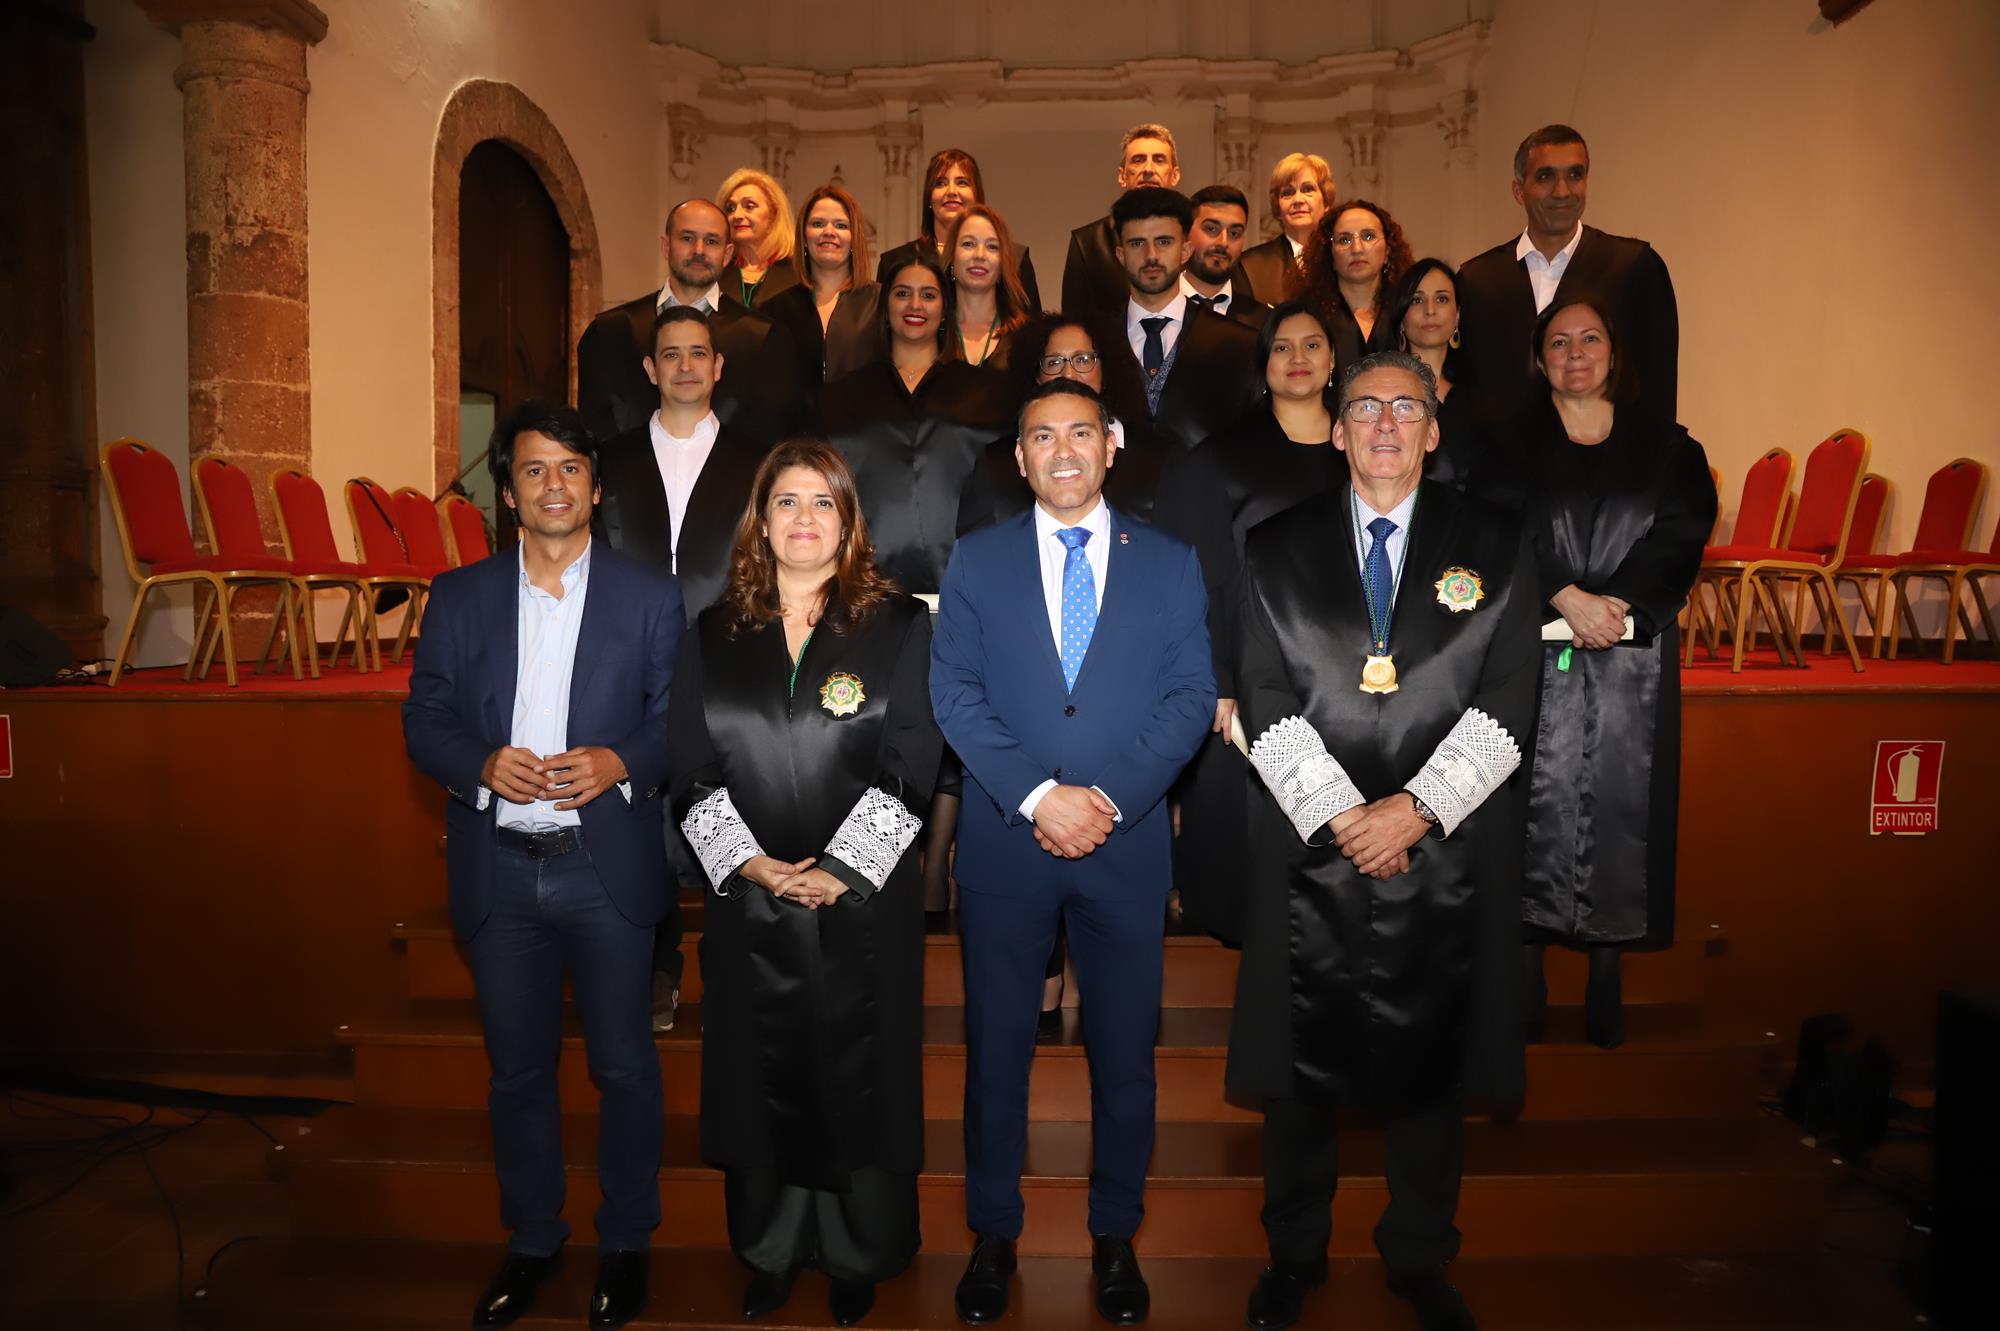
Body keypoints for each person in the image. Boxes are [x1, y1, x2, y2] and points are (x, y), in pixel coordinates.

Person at [1227, 351, 1538, 1331]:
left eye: (1407, 406)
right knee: (1297, 1073)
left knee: (1429, 1062)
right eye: (1364, 407)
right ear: (1334, 427)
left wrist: (1413, 809)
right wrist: (1339, 816)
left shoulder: (1494, 539)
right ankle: (1294, 1250)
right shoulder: (1271, 545)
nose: (1385, 424)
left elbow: (1509, 699)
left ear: (1433, 429)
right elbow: (1262, 697)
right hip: (1307, 843)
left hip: (1442, 843)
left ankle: (1416, 1251)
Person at [932, 377, 1214, 1327]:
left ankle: (1114, 1233)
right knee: (997, 1050)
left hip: (1124, 847)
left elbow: (1189, 699)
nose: (1061, 450)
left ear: (1111, 444)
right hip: (1009, 846)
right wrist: (1040, 797)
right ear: (1018, 458)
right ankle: (993, 1231)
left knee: (1126, 1053)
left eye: (1079, 433)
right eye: (1041, 436)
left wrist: (1110, 800)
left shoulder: (1171, 563)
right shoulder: (975, 560)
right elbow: (955, 695)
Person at [403, 402, 684, 1331]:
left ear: (595, 488)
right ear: (509, 492)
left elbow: (676, 719)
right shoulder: (460, 595)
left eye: (571, 468)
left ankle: (626, 1242)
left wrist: (618, 762)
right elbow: (425, 719)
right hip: (500, 867)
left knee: (624, 1068)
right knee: (517, 1073)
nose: (554, 485)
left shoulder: (651, 596)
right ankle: (531, 1239)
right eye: (534, 470)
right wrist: (478, 763)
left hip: (604, 868)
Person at [668, 439, 942, 1330]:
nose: (804, 520)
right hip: (749, 900)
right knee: (759, 1071)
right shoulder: (713, 632)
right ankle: (772, 1248)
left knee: (863, 1069)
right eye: (786, 502)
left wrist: (842, 868)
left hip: (865, 902)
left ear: (848, 522)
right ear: (761, 520)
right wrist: (747, 862)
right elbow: (689, 766)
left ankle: (861, 1248)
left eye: (823, 503)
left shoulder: (897, 623)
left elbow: (913, 761)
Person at [1510, 296, 1715, 1050]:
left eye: (1590, 338)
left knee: (1622, 796)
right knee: (1533, 788)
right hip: (1536, 636)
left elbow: (1681, 531)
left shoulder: (1669, 447)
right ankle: (1526, 968)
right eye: (1558, 342)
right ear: (1539, 359)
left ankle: (1606, 971)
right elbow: (1499, 523)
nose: (1574, 353)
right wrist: (1564, 592)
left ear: (1613, 354)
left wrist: (1620, 607)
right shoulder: (1508, 444)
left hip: (1631, 649)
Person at [593, 306, 768, 1030]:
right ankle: (660, 965)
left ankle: (735, 972)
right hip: (630, 655)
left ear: (718, 367)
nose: (686, 366)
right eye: (672, 355)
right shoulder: (612, 457)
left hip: (729, 652)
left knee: (733, 809)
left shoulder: (759, 457)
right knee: (646, 818)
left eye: (700, 353)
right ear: (650, 370)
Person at [1152, 302, 1349, 945]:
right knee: (1246, 830)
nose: (1298, 358)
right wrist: (1216, 675)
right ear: (1263, 364)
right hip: (1248, 666)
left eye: (1312, 344)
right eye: (1283, 346)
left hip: (1349, 670)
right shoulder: (1220, 457)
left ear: (1333, 360)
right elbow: (1197, 578)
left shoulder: (1364, 449)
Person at [1456, 124, 1680, 423]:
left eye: (1575, 175)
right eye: (1545, 176)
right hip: (1501, 464)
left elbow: (1658, 385)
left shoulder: (1633, 266)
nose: (1562, 191)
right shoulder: (1478, 280)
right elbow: (1468, 387)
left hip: (1611, 461)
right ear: (1518, 190)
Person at [576, 198, 804, 446]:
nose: (699, 250)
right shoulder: (610, 332)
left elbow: (773, 443)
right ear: (666, 246)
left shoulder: (764, 339)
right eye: (687, 238)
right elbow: (593, 436)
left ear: (727, 254)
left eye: (711, 241)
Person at [959, 314, 1168, 533]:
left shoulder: (1158, 457)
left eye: (1083, 360)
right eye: (1054, 362)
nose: (1068, 373)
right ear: (1036, 377)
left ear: (1106, 370)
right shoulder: (996, 462)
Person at [1093, 186, 1261, 454]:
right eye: (1137, 243)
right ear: (1120, 255)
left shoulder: (1239, 343)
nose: (1151, 256)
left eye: (1164, 242)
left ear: (1185, 251)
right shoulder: (1092, 340)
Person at [763, 185, 886, 405]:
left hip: (864, 435)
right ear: (804, 235)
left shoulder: (882, 302)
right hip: (794, 437)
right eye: (818, 224)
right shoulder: (775, 309)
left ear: (854, 237)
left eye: (841, 225)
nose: (829, 232)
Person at [876, 148, 1042, 310]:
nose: (951, 191)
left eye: (962, 182)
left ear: (977, 195)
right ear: (929, 197)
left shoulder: (1014, 258)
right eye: (940, 183)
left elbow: (1032, 330)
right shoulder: (895, 262)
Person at [1380, 259, 1488, 493]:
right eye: (1417, 300)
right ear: (1401, 317)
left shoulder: (1481, 394)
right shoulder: (1381, 394)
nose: (1430, 310)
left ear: (1457, 315)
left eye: (1442, 299)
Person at [1061, 123, 1182, 323]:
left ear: (1175, 175)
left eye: (1159, 160)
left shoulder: (1194, 236)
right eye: (1138, 160)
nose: (1148, 169)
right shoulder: (1088, 243)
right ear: (1122, 176)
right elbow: (1075, 324)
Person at [1297, 198, 1414, 370]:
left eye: (1369, 236)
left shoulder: (1408, 311)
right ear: (1330, 256)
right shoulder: (1308, 316)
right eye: (1345, 240)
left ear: (1388, 252)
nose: (1357, 248)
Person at [944, 204, 1035, 371]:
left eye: (992, 246)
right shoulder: (932, 331)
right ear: (951, 256)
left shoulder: (1025, 337)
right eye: (968, 244)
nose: (979, 255)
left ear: (1003, 263)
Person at [1239, 151, 1334, 305]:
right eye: (1287, 193)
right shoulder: (1250, 266)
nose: (1298, 200)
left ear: (1326, 202)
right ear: (1277, 208)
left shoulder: (1344, 259)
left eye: (1308, 189)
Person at [1182, 184, 1273, 329]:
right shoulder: (1154, 308)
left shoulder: (1264, 322)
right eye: (1211, 229)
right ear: (1186, 233)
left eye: (1234, 233)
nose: (1223, 242)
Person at [717, 167, 801, 311]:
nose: (737, 215)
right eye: (730, 208)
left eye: (749, 206)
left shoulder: (799, 274)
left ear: (774, 214)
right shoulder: (716, 273)